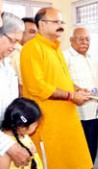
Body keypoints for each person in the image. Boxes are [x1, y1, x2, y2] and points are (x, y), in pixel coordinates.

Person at [20, 7, 93, 169]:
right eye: (56, 22)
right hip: (48, 122)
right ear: (42, 24)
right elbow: (37, 87)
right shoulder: (32, 48)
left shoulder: (56, 49)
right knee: (54, 163)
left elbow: (63, 79)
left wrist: (77, 89)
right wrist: (70, 96)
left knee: (74, 162)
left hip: (67, 118)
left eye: (61, 22)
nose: (60, 25)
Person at [63, 27, 98, 164]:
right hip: (77, 114)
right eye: (80, 38)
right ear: (71, 40)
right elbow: (61, 81)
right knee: (77, 153)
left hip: (94, 112)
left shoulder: (92, 58)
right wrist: (77, 89)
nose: (85, 42)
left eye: (87, 39)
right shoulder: (64, 56)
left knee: (91, 150)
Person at [0, 11, 31, 168]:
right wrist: (8, 146)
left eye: (18, 42)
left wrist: (24, 123)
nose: (15, 47)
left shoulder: (7, 64)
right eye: (13, 41)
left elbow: (11, 108)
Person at [0, 98, 43, 169]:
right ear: (22, 127)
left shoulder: (24, 135)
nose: (37, 127)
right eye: (35, 125)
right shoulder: (5, 149)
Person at [10, 17, 37, 96]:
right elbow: (19, 86)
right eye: (32, 32)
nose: (36, 36)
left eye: (37, 33)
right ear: (20, 32)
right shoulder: (14, 54)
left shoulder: (30, 52)